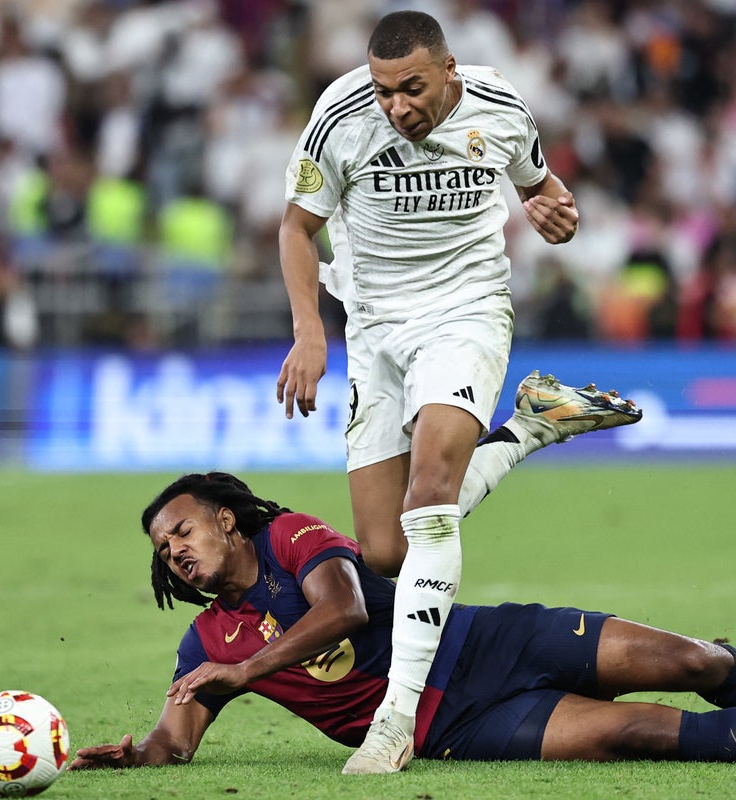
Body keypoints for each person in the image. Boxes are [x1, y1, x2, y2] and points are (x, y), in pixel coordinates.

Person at [274, 10, 640, 773]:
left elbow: (544, 189)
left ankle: (394, 723)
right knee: (383, 549)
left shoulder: (501, 107)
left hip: (464, 312)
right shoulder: (339, 116)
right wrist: (311, 330)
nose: (396, 106)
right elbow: (294, 227)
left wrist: (555, 214)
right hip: (372, 327)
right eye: (384, 91)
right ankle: (528, 429)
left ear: (449, 71)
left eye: (411, 88)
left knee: (431, 491)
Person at [69, 471, 736, 774]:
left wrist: (245, 674)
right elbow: (175, 739)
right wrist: (137, 754)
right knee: (635, 732)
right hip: (456, 723)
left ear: (224, 519)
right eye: (162, 547)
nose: (174, 551)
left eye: (180, 530)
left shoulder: (296, 537)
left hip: (486, 638)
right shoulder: (205, 644)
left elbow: (349, 607)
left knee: (693, 659)